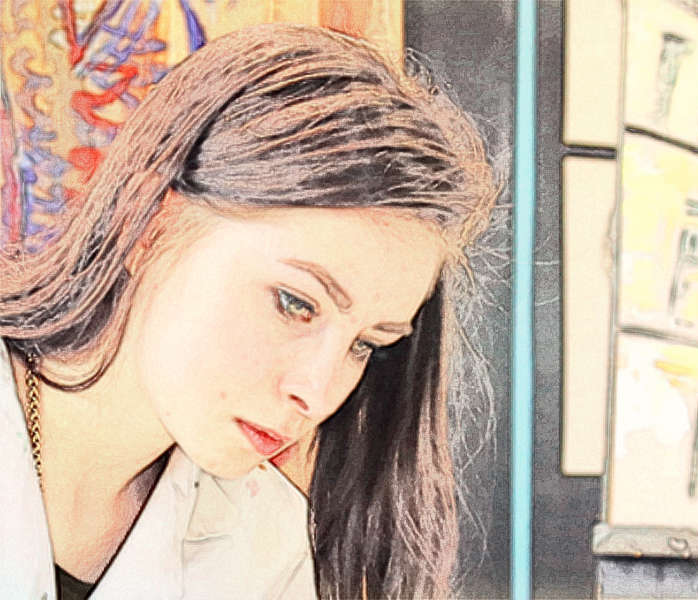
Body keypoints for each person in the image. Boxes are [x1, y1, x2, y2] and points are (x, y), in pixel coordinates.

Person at [0, 23, 497, 599]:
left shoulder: (268, 552)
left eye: (366, 344)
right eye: (295, 303)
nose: (316, 393)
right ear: (149, 223)